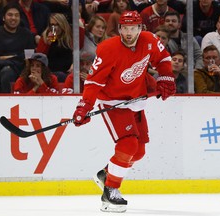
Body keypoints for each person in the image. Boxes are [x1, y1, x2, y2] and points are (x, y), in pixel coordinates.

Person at [72, 11, 176, 213]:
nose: (129, 33)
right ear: (119, 29)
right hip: (112, 102)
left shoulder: (150, 40)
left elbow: (163, 58)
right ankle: (110, 192)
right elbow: (93, 82)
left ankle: (106, 175)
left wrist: (166, 77)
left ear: (140, 28)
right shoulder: (107, 49)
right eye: (125, 28)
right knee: (128, 144)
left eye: (133, 28)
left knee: (139, 151)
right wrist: (84, 106)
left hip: (135, 101)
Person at [0, 2, 35, 93]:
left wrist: (6, 59)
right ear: (3, 17)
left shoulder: (27, 34)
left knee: (7, 72)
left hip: (19, 68)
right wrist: (3, 58)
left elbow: (29, 58)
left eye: (16, 15)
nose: (13, 18)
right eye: (10, 15)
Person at [36, 13, 74, 82]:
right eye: (52, 25)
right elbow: (39, 58)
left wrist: (74, 64)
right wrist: (47, 44)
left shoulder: (69, 37)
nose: (55, 28)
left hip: (68, 72)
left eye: (57, 24)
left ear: (62, 25)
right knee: (60, 76)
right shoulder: (45, 37)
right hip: (51, 73)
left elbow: (78, 51)